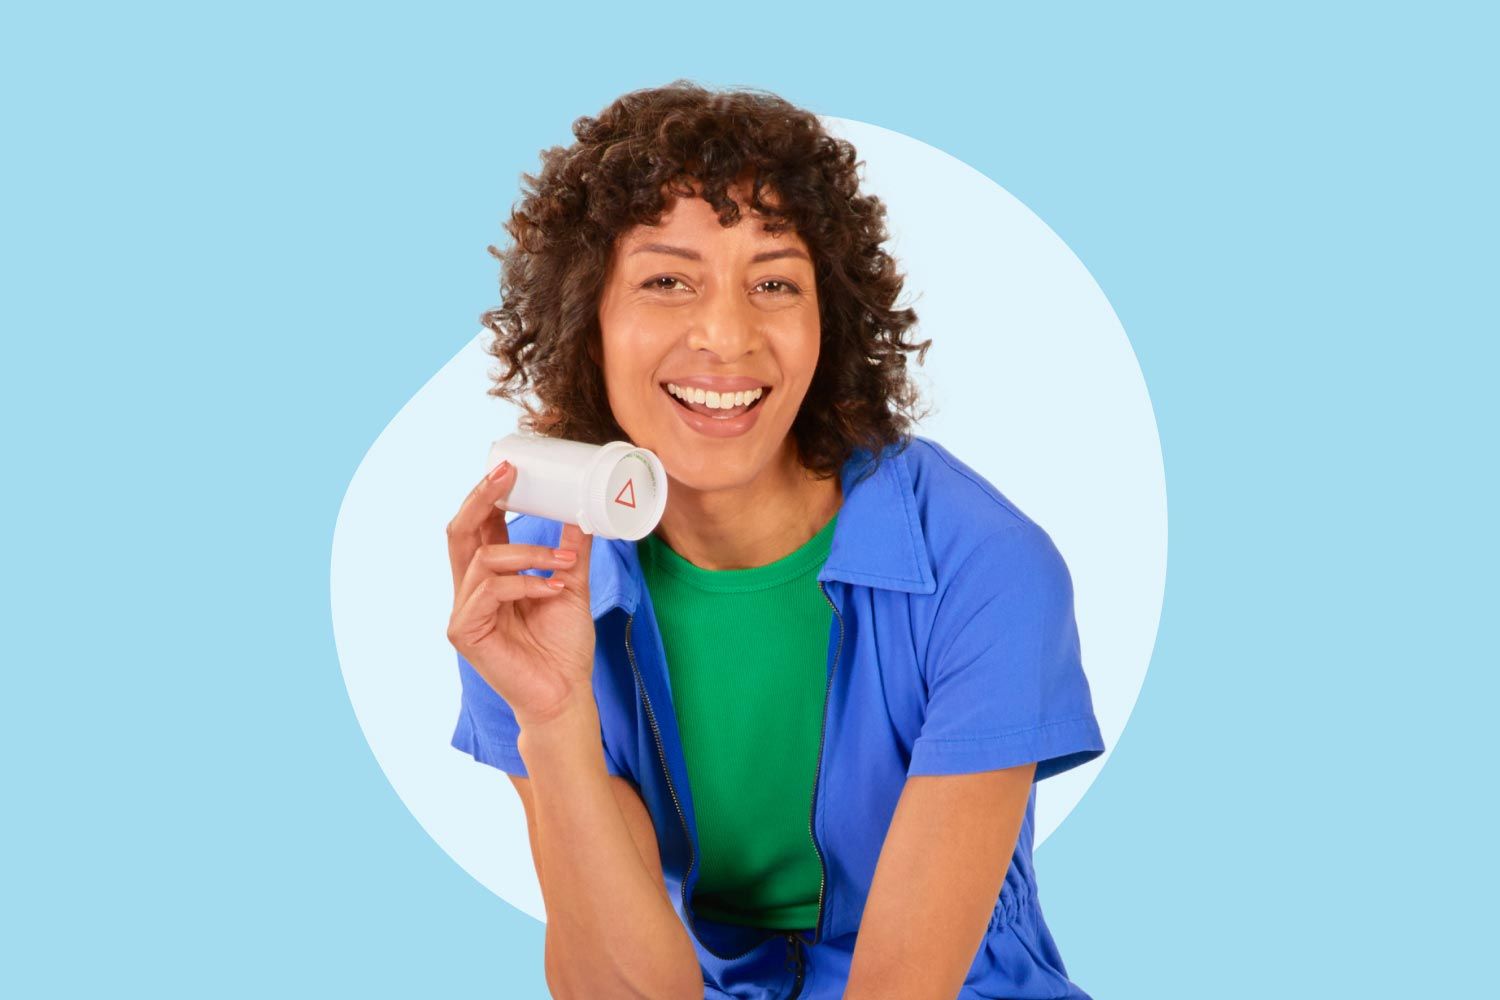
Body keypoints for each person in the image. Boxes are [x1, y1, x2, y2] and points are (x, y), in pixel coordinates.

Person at [445, 80, 1106, 1000]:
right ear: (585, 321)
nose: (725, 334)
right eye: (666, 279)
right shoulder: (532, 592)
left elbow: (903, 987)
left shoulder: (984, 569)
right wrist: (552, 723)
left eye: (774, 282)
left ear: (827, 319)